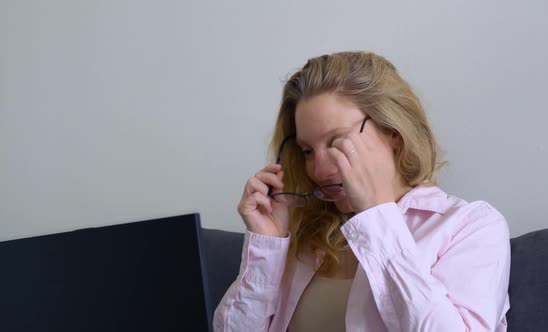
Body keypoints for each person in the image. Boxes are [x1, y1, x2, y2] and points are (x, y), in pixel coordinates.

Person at [213, 51, 511, 331]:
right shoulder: (304, 236)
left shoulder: (471, 226)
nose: (318, 170)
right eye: (306, 151)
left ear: (393, 133)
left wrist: (376, 217)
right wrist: (267, 246)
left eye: (336, 143)